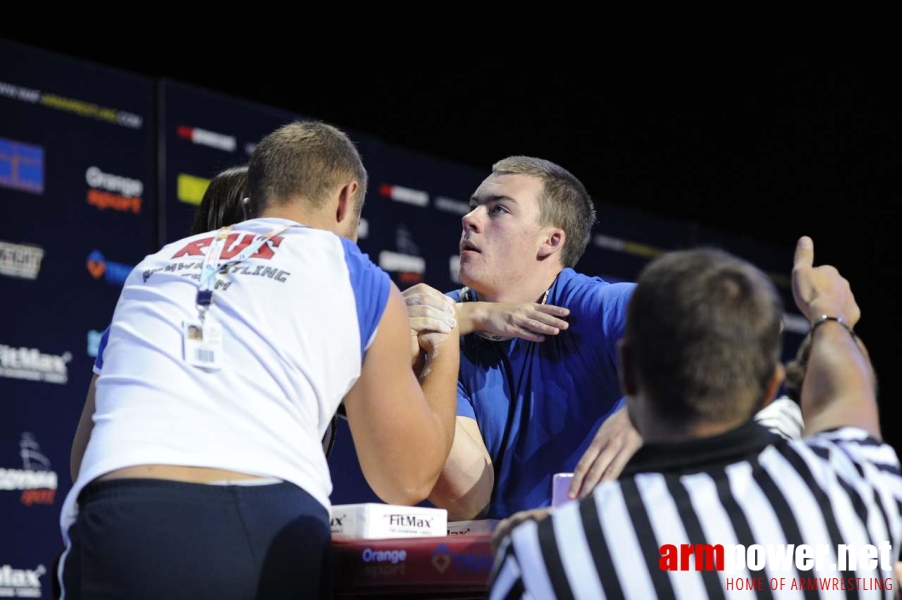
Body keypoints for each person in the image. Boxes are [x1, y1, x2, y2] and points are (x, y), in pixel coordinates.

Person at [59, 120, 460, 600]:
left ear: (255, 194)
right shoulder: (354, 272)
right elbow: (407, 479)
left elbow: (84, 455)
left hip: (117, 516)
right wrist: (448, 333)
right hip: (259, 523)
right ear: (345, 200)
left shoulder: (153, 267)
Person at [489, 237, 900, 599]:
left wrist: (552, 539)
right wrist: (829, 317)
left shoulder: (546, 555)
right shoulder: (858, 484)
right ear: (771, 384)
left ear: (627, 372)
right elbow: (846, 395)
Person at [404, 156, 639, 521]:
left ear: (550, 241)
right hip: (491, 563)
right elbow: (468, 501)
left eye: (498, 209)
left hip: (594, 554)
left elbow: (723, 331)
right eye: (473, 206)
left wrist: (642, 413)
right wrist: (432, 336)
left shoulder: (595, 307)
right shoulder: (440, 320)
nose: (470, 219)